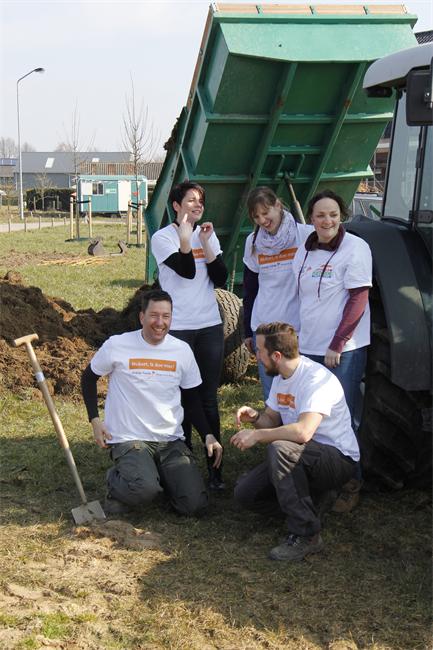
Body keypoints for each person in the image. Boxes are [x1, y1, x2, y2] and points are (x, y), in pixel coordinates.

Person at [81, 289, 223, 516]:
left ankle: (155, 479)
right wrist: (95, 420)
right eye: (154, 315)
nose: (160, 322)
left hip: (170, 439)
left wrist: (207, 434)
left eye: (166, 316)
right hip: (130, 438)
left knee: (195, 504)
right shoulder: (118, 345)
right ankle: (117, 481)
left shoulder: (181, 350)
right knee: (144, 489)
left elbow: (191, 400)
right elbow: (89, 378)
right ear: (142, 317)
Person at [231, 322, 359, 562]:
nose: (256, 356)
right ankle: (312, 504)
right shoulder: (282, 377)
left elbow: (303, 432)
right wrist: (256, 417)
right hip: (301, 455)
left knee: (280, 448)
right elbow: (271, 420)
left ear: (277, 356)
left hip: (337, 459)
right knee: (245, 494)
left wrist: (257, 436)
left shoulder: (316, 379)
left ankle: (306, 534)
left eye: (259, 350)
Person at [292, 190, 372, 511]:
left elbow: (358, 299)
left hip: (342, 350)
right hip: (309, 346)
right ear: (311, 218)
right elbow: (302, 298)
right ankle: (323, 480)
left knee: (343, 418)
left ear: (342, 217)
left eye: (334, 215)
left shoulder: (355, 248)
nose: (327, 221)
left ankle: (352, 481)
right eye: (321, 215)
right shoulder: (305, 249)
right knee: (313, 417)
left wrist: (337, 343)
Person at [151, 181, 227, 489]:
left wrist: (205, 244)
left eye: (200, 201)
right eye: (191, 200)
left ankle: (216, 471)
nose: (197, 205)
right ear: (176, 205)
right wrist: (185, 238)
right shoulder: (162, 238)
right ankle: (183, 471)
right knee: (182, 398)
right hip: (179, 329)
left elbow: (219, 278)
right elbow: (186, 271)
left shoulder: (206, 234)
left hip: (209, 326)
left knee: (208, 398)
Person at [242, 187, 313, 400]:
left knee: (299, 392)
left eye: (266, 213)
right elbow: (250, 289)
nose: (262, 220)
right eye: (256, 217)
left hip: (295, 328)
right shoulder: (253, 242)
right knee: (272, 395)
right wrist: (248, 331)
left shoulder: (305, 235)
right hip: (264, 327)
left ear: (278, 206)